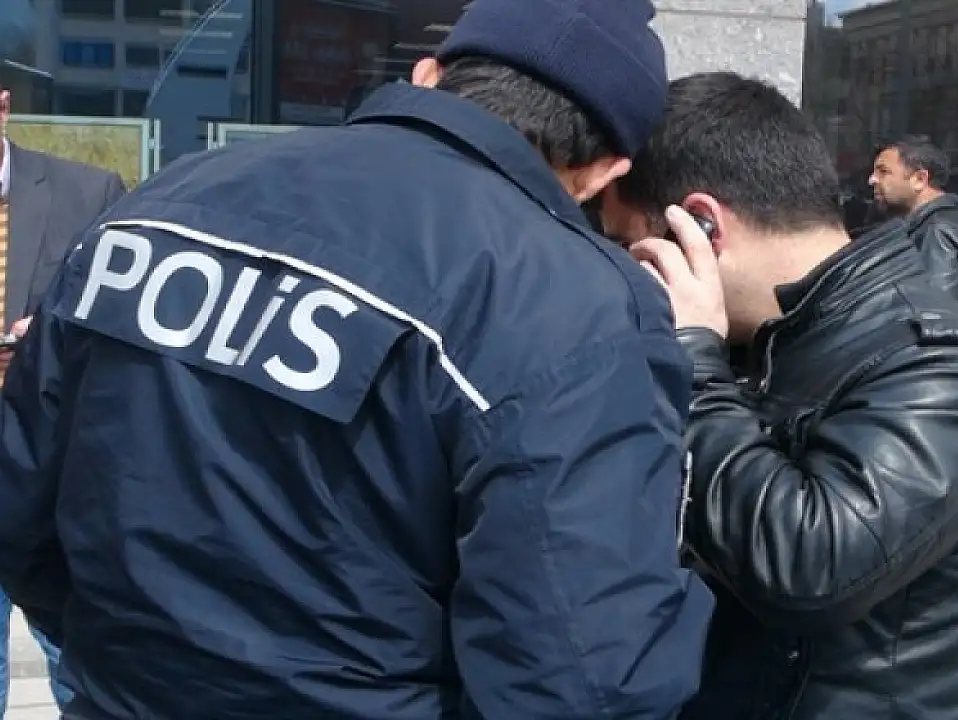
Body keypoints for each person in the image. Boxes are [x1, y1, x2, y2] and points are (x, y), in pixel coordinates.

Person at [0, 1, 714, 717]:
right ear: (604, 171)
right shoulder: (572, 299)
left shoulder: (164, 200)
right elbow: (579, 676)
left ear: (427, 75)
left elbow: (23, 510)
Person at [599, 72, 958, 720]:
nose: (629, 273)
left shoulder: (949, 370)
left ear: (702, 224)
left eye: (629, 246)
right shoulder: (764, 340)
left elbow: (810, 567)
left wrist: (694, 366)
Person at [0, 83, 125, 716]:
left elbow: (125, 322)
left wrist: (54, 331)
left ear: (2, 105)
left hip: (54, 477)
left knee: (83, 680)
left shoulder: (88, 194)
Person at [869, 136, 958, 317]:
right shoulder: (931, 226)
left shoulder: (937, 231)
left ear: (920, 179)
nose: (872, 180)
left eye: (883, 171)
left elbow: (933, 316)